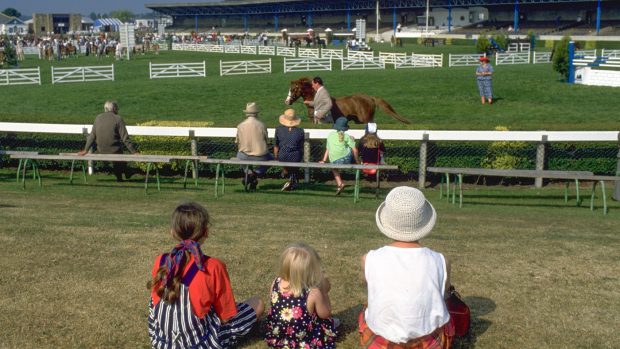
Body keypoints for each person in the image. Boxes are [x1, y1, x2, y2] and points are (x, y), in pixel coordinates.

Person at [147, 202, 264, 348]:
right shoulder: (213, 266)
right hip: (202, 344)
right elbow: (226, 317)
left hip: (162, 343)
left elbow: (155, 302)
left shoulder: (161, 261)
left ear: (173, 232)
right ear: (206, 232)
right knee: (257, 302)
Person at [359, 186, 455, 348]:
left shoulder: (369, 259)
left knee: (366, 309)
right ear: (424, 223)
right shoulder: (441, 261)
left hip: (381, 340)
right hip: (429, 340)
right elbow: (444, 294)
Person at [264, 242, 338, 348]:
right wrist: (325, 293)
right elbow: (325, 314)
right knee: (322, 319)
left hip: (279, 334)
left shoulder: (276, 282)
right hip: (302, 338)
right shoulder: (313, 293)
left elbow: (273, 304)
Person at [77, 100, 139, 182]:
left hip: (100, 150)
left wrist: (85, 150)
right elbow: (125, 139)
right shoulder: (118, 119)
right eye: (117, 108)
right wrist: (134, 152)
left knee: (117, 154)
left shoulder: (98, 117)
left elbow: (92, 136)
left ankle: (122, 176)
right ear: (114, 109)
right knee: (119, 152)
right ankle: (126, 172)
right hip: (114, 150)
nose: (118, 110)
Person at [235, 102, 273, 190]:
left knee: (240, 156)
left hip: (244, 155)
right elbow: (266, 140)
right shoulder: (261, 125)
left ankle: (248, 174)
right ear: (256, 113)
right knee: (272, 159)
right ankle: (254, 174)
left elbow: (237, 141)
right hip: (260, 156)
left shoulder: (240, 126)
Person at [319, 117, 360, 195]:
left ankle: (340, 183)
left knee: (334, 168)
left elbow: (328, 149)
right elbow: (355, 150)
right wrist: (358, 161)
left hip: (334, 160)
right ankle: (340, 184)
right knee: (351, 145)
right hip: (346, 159)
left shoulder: (330, 135)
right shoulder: (347, 136)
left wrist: (324, 160)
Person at [274, 109, 305, 191]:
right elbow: (301, 146)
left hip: (282, 155)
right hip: (295, 156)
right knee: (296, 159)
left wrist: (276, 156)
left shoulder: (279, 129)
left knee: (286, 157)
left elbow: (276, 145)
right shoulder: (300, 131)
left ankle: (288, 175)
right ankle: (292, 181)